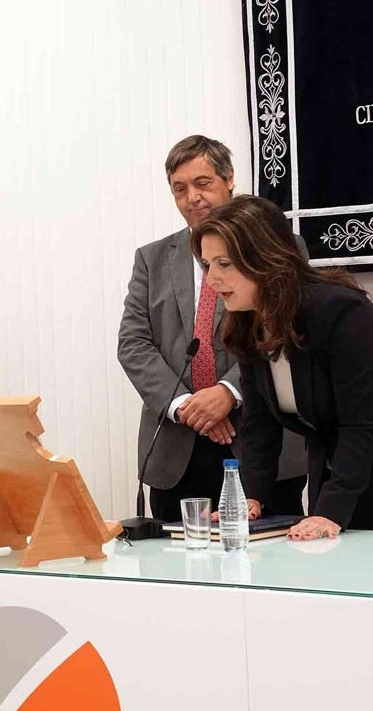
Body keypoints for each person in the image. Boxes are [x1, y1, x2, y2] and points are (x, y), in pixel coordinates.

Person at [192, 196, 373, 539]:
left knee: (365, 568)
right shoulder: (247, 322)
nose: (211, 280)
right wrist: (250, 495)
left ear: (265, 257)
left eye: (224, 263)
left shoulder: (341, 311)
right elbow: (260, 424)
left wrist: (331, 512)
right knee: (320, 551)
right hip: (336, 454)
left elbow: (361, 422)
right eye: (207, 264)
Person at [118, 135, 307, 522]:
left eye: (203, 183)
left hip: (260, 441)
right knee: (178, 573)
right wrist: (188, 407)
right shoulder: (152, 260)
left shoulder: (279, 246)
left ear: (229, 179)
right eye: (179, 189)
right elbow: (133, 344)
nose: (193, 198)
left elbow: (287, 330)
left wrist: (228, 392)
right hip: (177, 451)